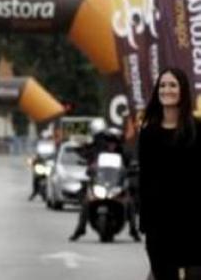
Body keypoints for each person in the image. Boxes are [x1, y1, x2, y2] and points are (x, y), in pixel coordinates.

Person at [137, 68, 201, 280]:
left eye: (173, 85)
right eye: (163, 85)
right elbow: (144, 181)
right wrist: (144, 223)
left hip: (193, 222)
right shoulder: (148, 134)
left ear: (183, 90)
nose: (167, 90)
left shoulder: (197, 130)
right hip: (159, 226)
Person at [68, 124, 140, 242]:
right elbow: (92, 164)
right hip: (101, 185)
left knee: (130, 203)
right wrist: (90, 169)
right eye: (109, 142)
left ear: (118, 143)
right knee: (86, 202)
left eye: (114, 142)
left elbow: (130, 165)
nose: (112, 144)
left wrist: (132, 168)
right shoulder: (99, 153)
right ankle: (80, 230)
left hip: (118, 187)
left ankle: (134, 231)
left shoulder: (124, 154)